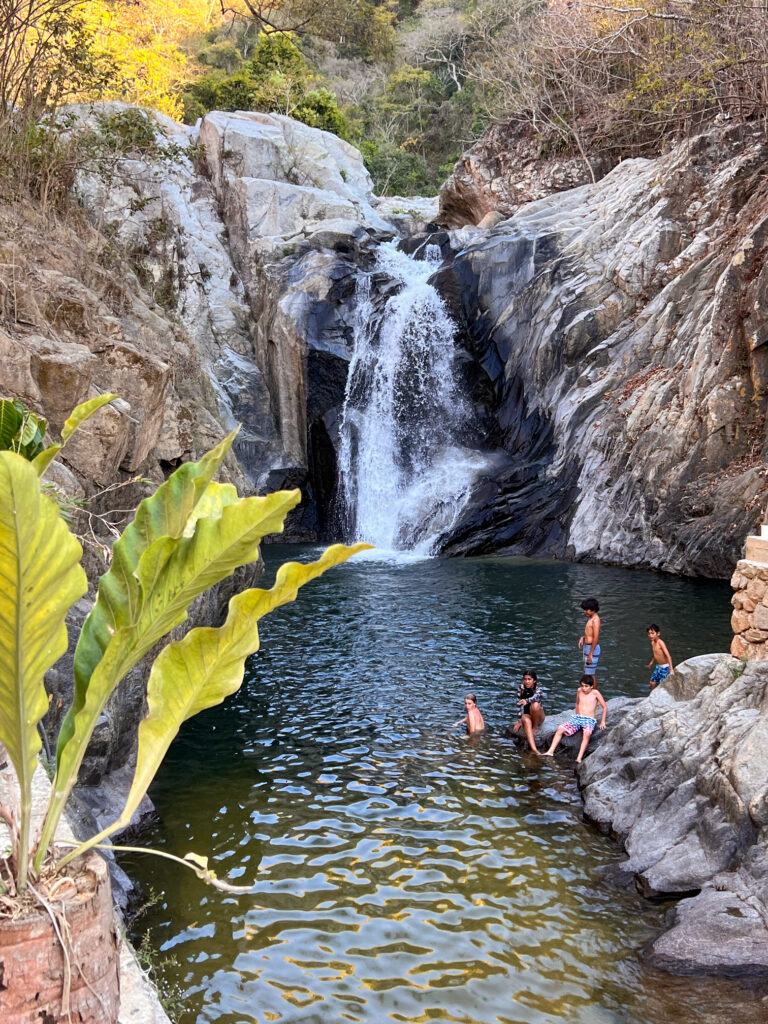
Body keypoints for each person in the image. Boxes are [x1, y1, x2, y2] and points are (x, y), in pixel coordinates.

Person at [540, 675, 607, 763]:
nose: (584, 688)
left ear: (591, 686)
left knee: (586, 734)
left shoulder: (595, 693)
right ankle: (550, 751)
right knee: (560, 728)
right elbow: (577, 703)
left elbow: (604, 707)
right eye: (582, 685)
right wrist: (577, 714)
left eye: (586, 686)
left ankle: (579, 758)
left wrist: (602, 722)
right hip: (578, 717)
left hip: (589, 719)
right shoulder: (579, 690)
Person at [511, 670, 545, 754]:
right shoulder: (521, 688)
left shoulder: (538, 688)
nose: (527, 681)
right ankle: (534, 749)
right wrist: (519, 721)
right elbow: (518, 705)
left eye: (529, 679)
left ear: (534, 680)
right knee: (525, 719)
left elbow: (536, 697)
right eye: (525, 679)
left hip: (538, 715)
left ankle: (535, 727)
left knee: (535, 705)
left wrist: (527, 700)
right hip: (528, 715)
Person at [646, 624, 674, 689]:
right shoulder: (652, 642)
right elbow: (656, 654)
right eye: (649, 634)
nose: (650, 635)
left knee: (663, 685)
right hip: (659, 667)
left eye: (652, 633)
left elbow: (668, 656)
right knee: (652, 683)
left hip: (665, 667)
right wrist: (652, 662)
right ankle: (652, 697)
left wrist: (671, 669)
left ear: (658, 633)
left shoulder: (661, 643)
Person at [578, 597, 601, 676]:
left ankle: (594, 689)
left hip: (592, 648)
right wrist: (583, 638)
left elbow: (596, 637)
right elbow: (590, 633)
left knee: (590, 674)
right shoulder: (591, 618)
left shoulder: (595, 620)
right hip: (588, 647)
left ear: (593, 610)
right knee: (588, 673)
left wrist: (591, 654)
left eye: (587, 610)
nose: (585, 612)